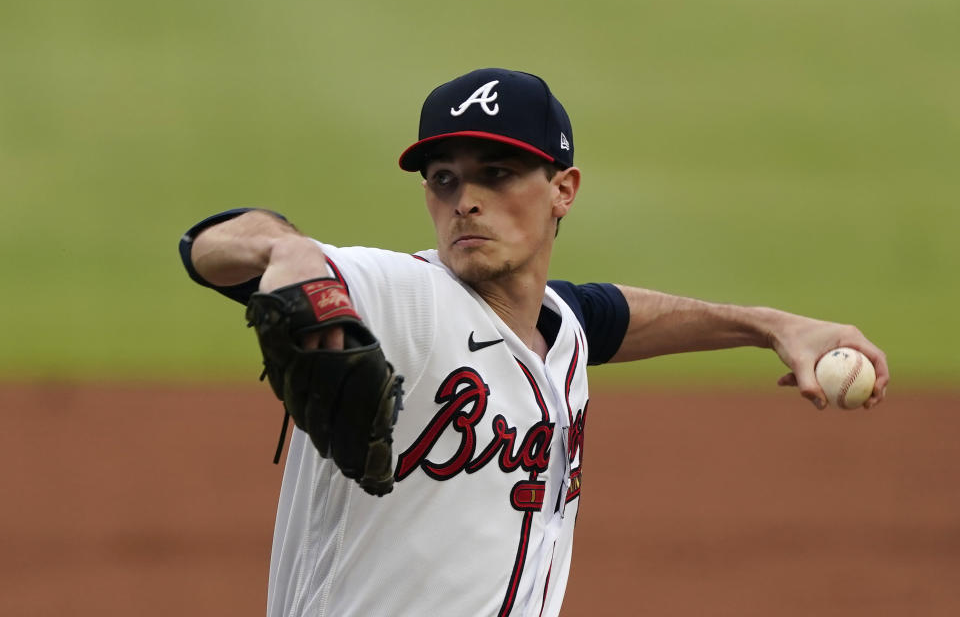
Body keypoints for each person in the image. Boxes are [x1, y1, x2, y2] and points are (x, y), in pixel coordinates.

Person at [179, 68, 889, 617]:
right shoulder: (401, 297)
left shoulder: (559, 325)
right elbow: (209, 246)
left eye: (498, 173)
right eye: (445, 180)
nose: (467, 200)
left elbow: (609, 315)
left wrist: (772, 327)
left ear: (564, 189)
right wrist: (292, 251)